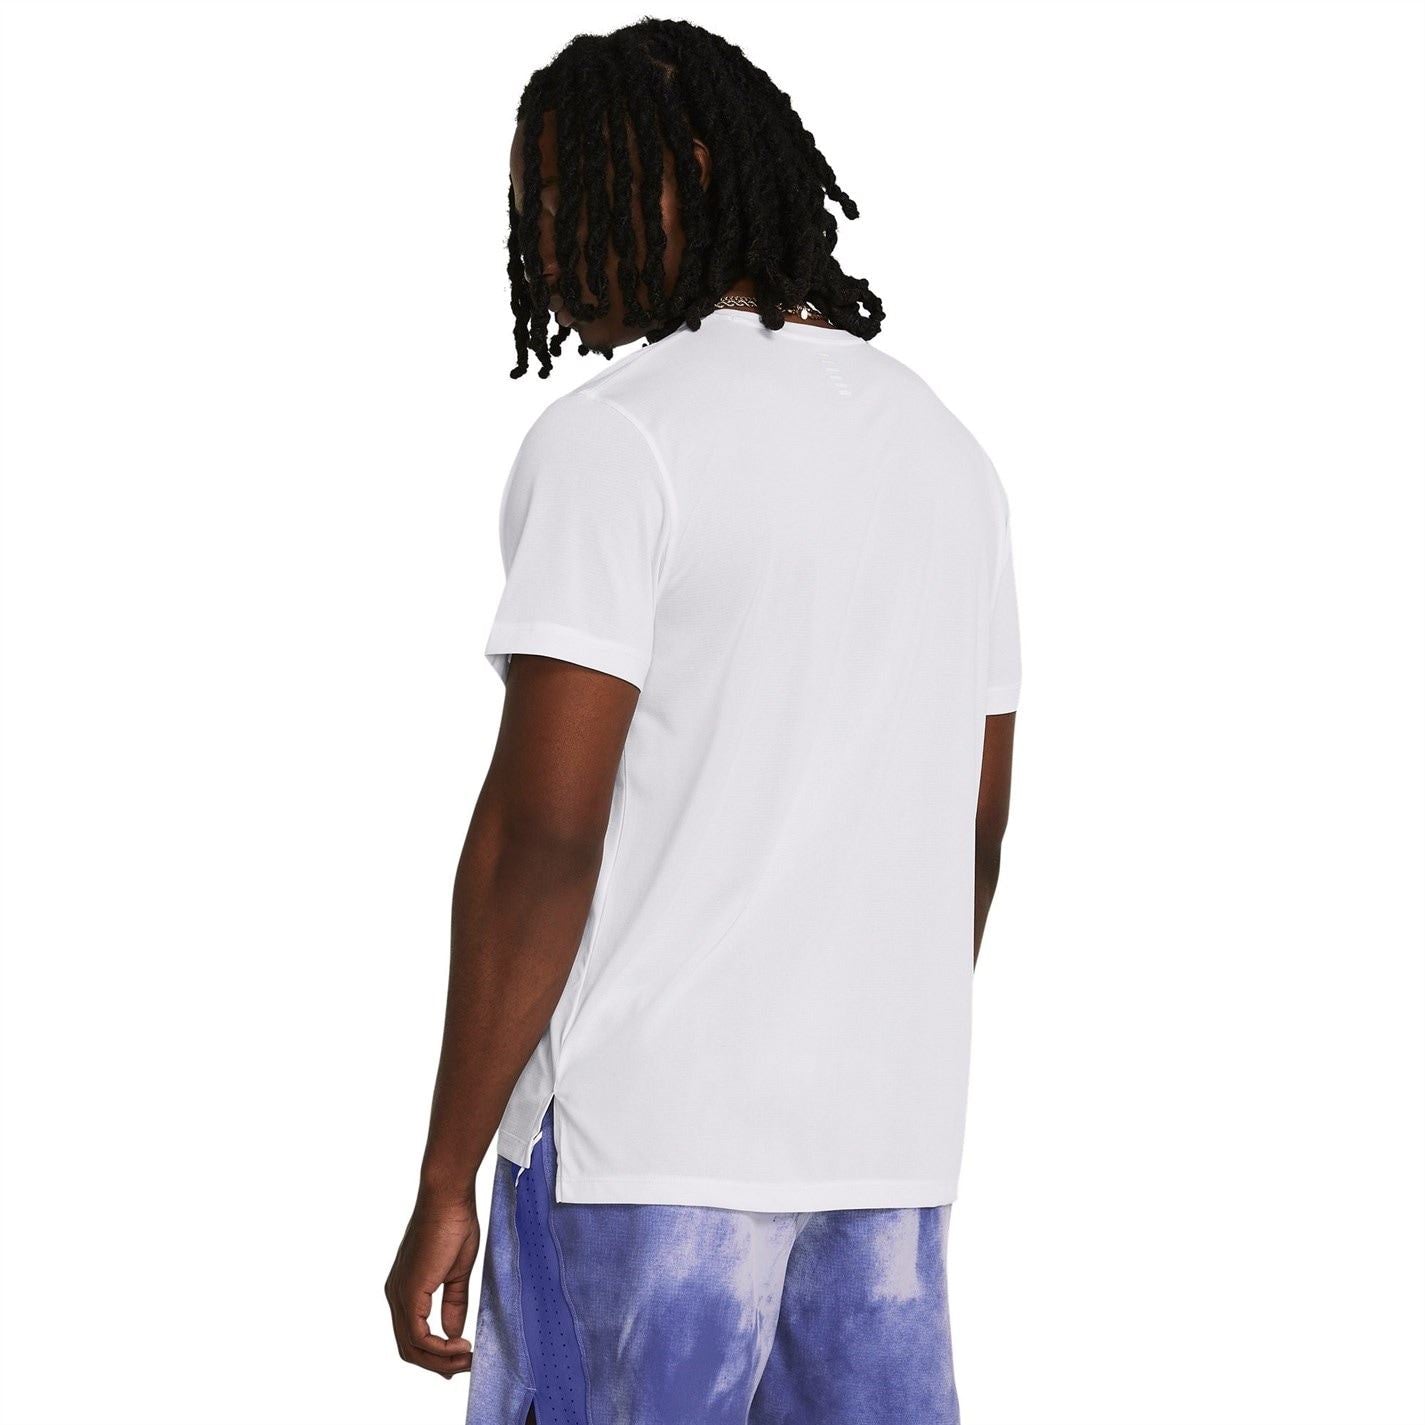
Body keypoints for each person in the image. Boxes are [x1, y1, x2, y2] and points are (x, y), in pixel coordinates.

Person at [385, 18, 1020, 1424]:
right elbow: (971, 822)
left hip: (635, 1158)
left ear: (689, 172)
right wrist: (851, 1032)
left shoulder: (620, 440)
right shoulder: (944, 452)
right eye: (530, 205)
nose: (548, 241)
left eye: (575, 192)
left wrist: (445, 1171)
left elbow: (542, 836)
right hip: (884, 1159)